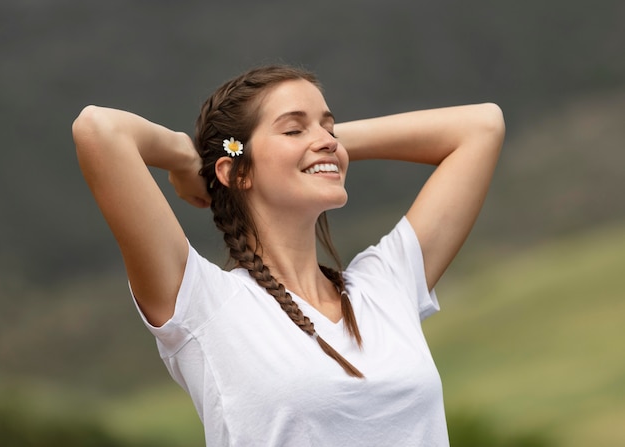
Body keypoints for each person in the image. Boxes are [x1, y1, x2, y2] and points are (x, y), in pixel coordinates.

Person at [73, 65, 504, 446]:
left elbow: (482, 126)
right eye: (294, 128)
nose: (326, 140)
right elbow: (98, 129)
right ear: (237, 172)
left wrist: (316, 144)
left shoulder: (385, 285)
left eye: (328, 127)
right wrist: (191, 158)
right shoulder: (205, 304)